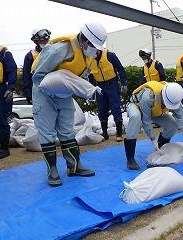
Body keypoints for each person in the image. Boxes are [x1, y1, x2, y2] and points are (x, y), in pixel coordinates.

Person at [31, 22, 107, 186]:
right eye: (93, 45)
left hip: (63, 94)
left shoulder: (88, 55)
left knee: (67, 130)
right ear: (84, 39)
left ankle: (74, 166)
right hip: (44, 94)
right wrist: (52, 88)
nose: (95, 49)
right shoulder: (59, 50)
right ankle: (52, 170)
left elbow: (81, 76)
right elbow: (37, 77)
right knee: (47, 132)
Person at [124, 81, 183, 170]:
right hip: (136, 106)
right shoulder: (149, 96)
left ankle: (161, 147)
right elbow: (146, 120)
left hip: (154, 111)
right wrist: (153, 139)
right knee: (136, 117)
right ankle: (130, 159)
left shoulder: (174, 97)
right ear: (163, 96)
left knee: (173, 125)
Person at [88, 48, 127, 142]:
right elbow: (91, 75)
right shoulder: (89, 59)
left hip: (112, 84)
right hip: (99, 86)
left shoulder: (110, 55)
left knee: (115, 107)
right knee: (101, 109)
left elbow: (121, 69)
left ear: (98, 49)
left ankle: (119, 133)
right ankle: (104, 133)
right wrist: (91, 88)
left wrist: (124, 84)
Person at [0, 30, 17, 160]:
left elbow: (12, 70)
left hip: (0, 89)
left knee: (0, 120)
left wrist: (10, 88)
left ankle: (4, 148)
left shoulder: (4, 53)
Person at [23, 28, 51, 104]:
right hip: (38, 91)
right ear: (35, 41)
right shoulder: (30, 56)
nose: (44, 42)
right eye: (41, 40)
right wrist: (28, 93)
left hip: (55, 89)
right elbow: (26, 76)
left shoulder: (55, 51)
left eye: (45, 40)